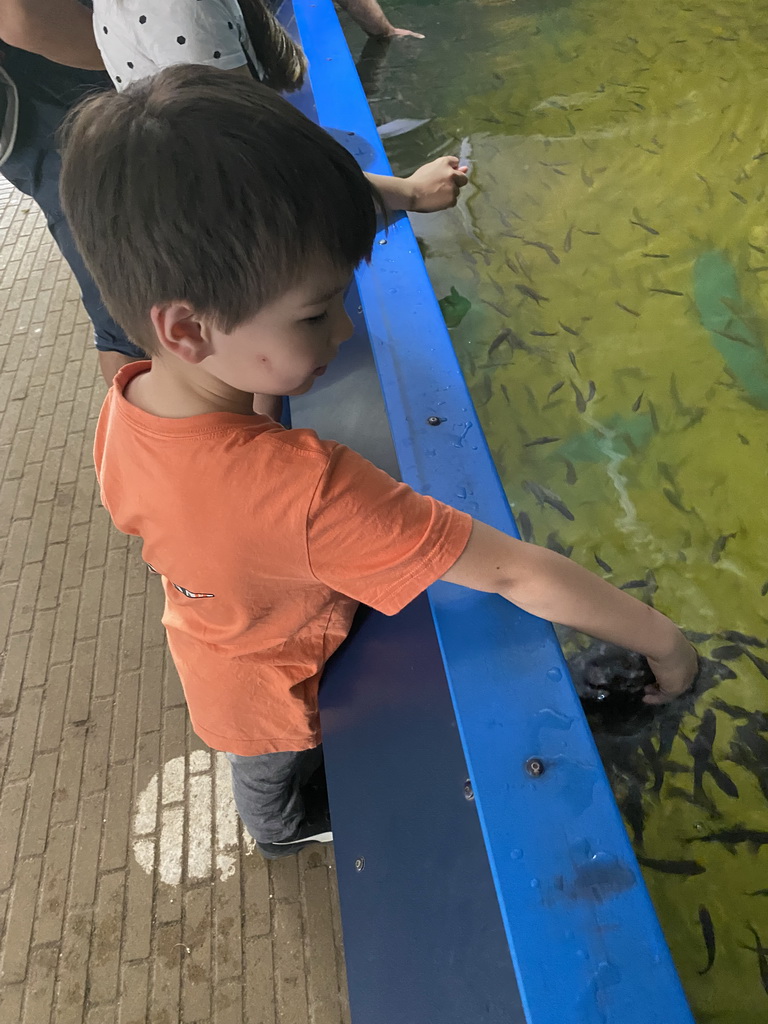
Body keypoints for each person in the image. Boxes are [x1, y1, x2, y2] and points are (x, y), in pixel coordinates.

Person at [59, 67, 698, 859]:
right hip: (271, 704)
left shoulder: (128, 403)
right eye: (317, 311)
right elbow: (510, 573)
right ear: (189, 329)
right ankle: (286, 835)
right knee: (277, 816)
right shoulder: (306, 493)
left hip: (211, 644)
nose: (342, 333)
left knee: (251, 752)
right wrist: (665, 645)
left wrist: (266, 403)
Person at [91, 0, 467, 216]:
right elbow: (256, 166)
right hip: (228, 214)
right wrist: (411, 193)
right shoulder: (184, 10)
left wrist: (383, 31)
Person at [0, 0, 146, 385]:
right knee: (125, 295)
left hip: (31, 108)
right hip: (49, 95)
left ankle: (139, 438)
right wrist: (142, 54)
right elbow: (22, 18)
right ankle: (151, 439)